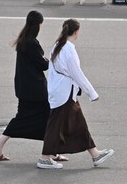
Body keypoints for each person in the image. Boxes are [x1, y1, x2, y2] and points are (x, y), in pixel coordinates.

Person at [0, 11, 67, 163]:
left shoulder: (23, 41)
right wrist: (53, 59)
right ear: (38, 25)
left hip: (24, 88)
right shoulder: (32, 42)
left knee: (23, 118)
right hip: (36, 89)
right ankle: (52, 151)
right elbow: (43, 65)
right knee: (49, 118)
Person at [38, 19, 114, 170]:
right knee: (56, 126)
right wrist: (91, 93)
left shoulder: (58, 45)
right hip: (64, 94)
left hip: (60, 92)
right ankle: (45, 158)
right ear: (76, 31)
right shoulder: (68, 49)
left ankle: (95, 154)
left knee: (79, 124)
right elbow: (77, 74)